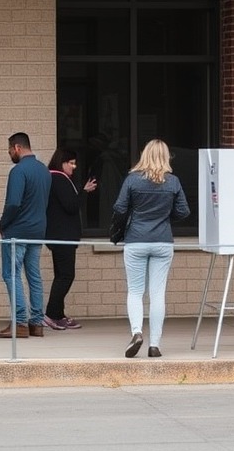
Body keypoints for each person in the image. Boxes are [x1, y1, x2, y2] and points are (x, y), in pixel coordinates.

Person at [113, 139, 189, 358]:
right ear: (166, 157)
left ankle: (137, 332)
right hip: (163, 241)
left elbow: (119, 207)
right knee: (157, 294)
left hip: (136, 240)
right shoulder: (173, 181)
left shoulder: (132, 180)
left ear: (144, 155)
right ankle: (154, 345)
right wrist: (164, 217)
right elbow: (183, 211)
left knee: (135, 291)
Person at [0, 132, 51, 338]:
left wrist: (3, 224)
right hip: (38, 230)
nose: (9, 153)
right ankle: (36, 323)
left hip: (17, 231)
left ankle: (19, 323)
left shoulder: (18, 171)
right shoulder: (44, 170)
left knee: (11, 274)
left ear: (17, 147)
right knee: (34, 275)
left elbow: (13, 203)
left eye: (10, 149)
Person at [43, 148, 97, 331]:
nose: (74, 166)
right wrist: (84, 192)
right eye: (71, 163)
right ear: (62, 163)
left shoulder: (53, 178)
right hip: (62, 235)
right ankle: (51, 314)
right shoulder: (59, 178)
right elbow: (71, 205)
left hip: (57, 235)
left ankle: (58, 315)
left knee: (61, 275)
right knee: (66, 275)